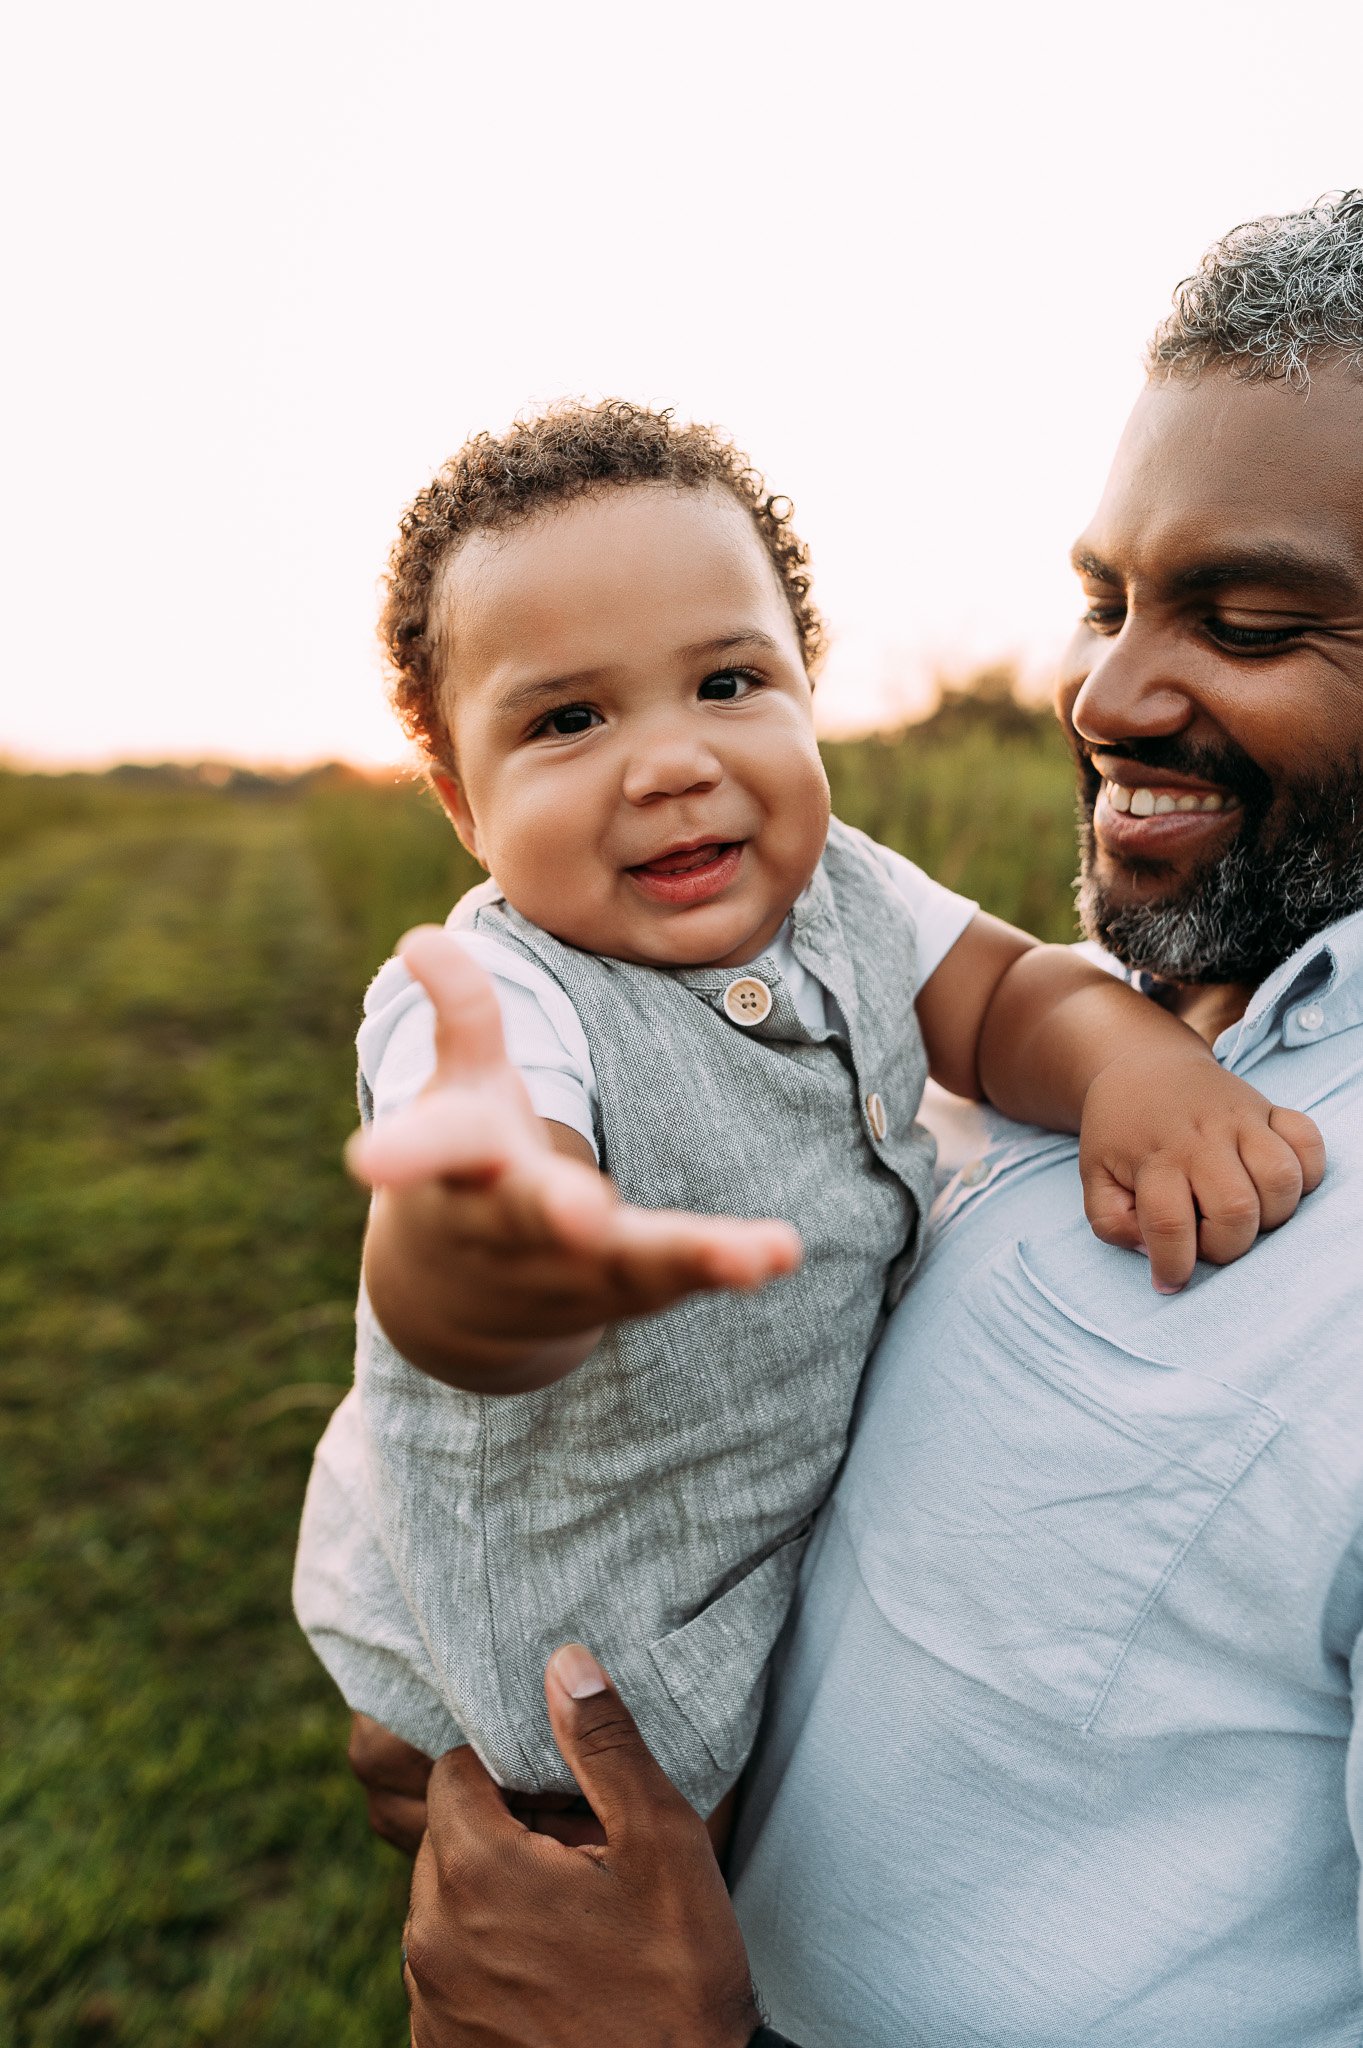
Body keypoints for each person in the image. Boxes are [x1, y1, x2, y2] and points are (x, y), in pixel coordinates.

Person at [388, 191, 1363, 2046]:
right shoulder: (1195, 974)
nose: (1104, 694)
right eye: (1105, 602)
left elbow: (987, 993)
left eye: (1242, 623)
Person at [294, 401, 1317, 1849]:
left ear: (803, 691)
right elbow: (470, 1238)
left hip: (750, 1572)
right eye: (569, 719)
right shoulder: (495, 995)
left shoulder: (842, 886)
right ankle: (427, 1759)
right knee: (591, 1879)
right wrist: (501, 1247)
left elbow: (1006, 995)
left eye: (726, 681)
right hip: (567, 1647)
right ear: (465, 804)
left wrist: (1125, 1065)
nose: (670, 761)